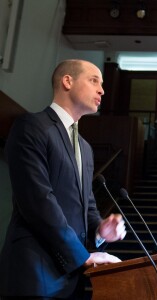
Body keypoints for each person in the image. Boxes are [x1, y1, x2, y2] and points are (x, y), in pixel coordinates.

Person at [0, 60, 127, 299]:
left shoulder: (85, 148)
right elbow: (38, 201)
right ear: (67, 81)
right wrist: (83, 256)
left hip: (71, 278)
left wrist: (101, 230)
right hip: (35, 272)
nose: (102, 90)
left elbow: (86, 206)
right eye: (94, 81)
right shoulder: (31, 127)